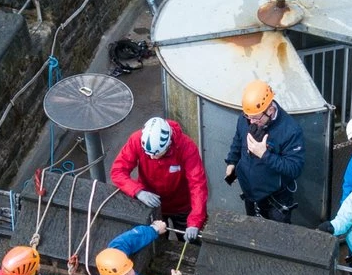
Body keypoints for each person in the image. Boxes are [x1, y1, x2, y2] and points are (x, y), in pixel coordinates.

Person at [110, 116, 209, 236]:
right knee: (155, 242)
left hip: (182, 207)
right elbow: (118, 171)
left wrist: (195, 221)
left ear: (168, 145)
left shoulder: (186, 147)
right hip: (150, 204)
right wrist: (138, 191)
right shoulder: (137, 140)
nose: (152, 157)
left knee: (191, 242)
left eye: (156, 154)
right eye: (149, 154)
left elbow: (197, 184)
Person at [223, 79, 305, 223]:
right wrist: (232, 162)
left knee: (277, 239)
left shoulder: (290, 130)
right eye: (248, 117)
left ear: (270, 110)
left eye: (255, 118)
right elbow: (238, 140)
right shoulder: (247, 118)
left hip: (276, 200)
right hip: (250, 192)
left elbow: (294, 168)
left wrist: (264, 155)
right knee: (253, 232)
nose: (251, 122)